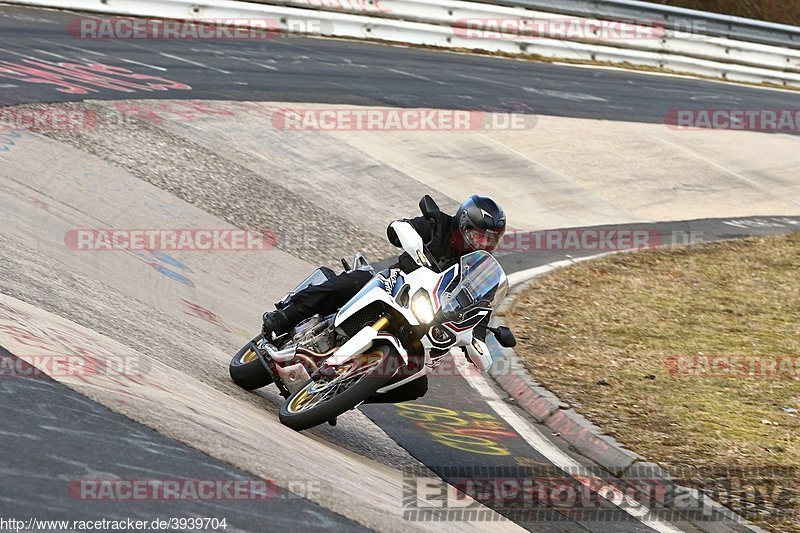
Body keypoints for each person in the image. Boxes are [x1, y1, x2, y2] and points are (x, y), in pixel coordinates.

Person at [262, 195, 507, 341]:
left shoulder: (477, 269)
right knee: (353, 282)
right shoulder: (439, 224)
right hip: (393, 284)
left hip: (423, 318)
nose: (484, 244)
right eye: (480, 236)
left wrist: (477, 341)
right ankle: (284, 317)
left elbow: (480, 306)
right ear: (464, 224)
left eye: (491, 239)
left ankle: (346, 391)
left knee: (417, 385)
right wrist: (405, 234)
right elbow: (399, 227)